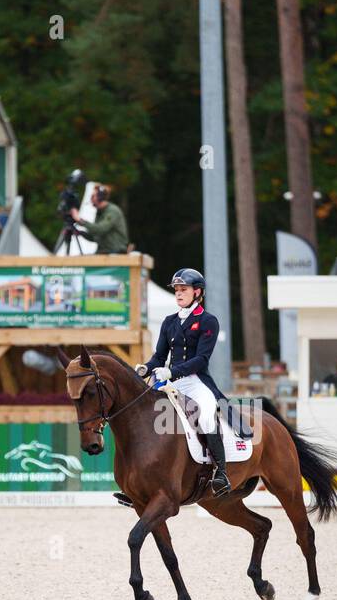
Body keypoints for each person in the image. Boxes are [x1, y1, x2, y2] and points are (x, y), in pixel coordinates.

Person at [135, 267, 230, 496]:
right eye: (176, 290)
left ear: (197, 292)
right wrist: (145, 368)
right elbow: (159, 355)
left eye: (183, 289)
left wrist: (172, 371)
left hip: (196, 381)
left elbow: (201, 359)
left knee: (207, 414)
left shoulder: (208, 321)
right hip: (170, 381)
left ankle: (221, 472)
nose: (178, 293)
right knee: (142, 413)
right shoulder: (169, 322)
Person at [68, 183, 128, 255]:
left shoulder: (112, 211)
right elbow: (95, 237)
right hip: (104, 252)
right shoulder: (100, 212)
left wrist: (80, 220)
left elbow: (100, 229)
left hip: (115, 253)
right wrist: (80, 233)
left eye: (93, 196)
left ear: (100, 197)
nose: (91, 198)